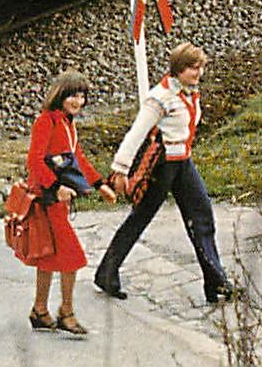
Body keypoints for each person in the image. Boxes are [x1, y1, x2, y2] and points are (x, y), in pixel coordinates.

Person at [94, 42, 234, 306]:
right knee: (140, 218)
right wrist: (120, 170)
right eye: (193, 68)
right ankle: (107, 273)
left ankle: (215, 280)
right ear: (178, 69)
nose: (198, 73)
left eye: (201, 67)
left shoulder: (191, 93)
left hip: (183, 163)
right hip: (162, 165)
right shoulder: (160, 97)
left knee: (202, 216)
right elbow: (136, 133)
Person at [25, 70, 118, 336]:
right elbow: (35, 160)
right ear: (60, 96)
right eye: (72, 96)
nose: (78, 101)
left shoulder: (67, 122)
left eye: (82, 96)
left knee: (48, 254)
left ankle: (40, 310)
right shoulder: (47, 121)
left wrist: (100, 184)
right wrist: (56, 186)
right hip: (47, 199)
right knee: (72, 256)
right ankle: (66, 312)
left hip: (58, 200)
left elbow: (77, 158)